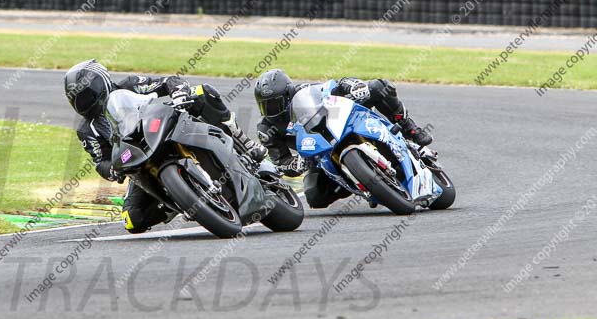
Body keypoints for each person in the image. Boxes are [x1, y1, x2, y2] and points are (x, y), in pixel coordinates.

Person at [63, 59, 266, 233]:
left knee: (201, 92)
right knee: (131, 219)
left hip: (164, 128)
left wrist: (178, 91)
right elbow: (101, 162)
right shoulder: (87, 130)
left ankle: (243, 142)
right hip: (140, 158)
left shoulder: (129, 85)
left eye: (86, 96)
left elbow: (167, 82)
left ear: (100, 85)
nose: (83, 103)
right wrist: (113, 171)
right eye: (77, 100)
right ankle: (179, 199)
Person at [253, 69, 433, 209]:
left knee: (379, 86)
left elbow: (335, 86)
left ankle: (410, 128)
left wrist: (354, 86)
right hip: (318, 155)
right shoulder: (267, 129)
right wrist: (294, 165)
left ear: (287, 95)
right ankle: (359, 180)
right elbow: (280, 160)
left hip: (342, 124)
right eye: (265, 106)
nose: (271, 110)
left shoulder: (304, 92)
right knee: (314, 196)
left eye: (274, 103)